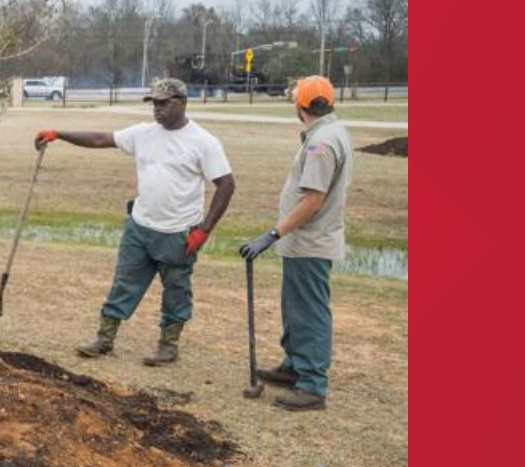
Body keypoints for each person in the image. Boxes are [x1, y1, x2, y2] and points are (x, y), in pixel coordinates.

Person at [35, 77, 235, 366]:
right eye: (154, 103)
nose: (157, 109)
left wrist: (204, 230)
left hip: (178, 233)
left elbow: (226, 185)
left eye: (164, 103)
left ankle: (168, 345)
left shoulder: (203, 142)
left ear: (182, 102)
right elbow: (101, 139)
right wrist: (58, 133)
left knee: (176, 291)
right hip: (140, 228)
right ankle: (104, 339)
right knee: (124, 283)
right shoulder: (143, 134)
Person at [239, 74, 353, 411]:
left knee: (309, 312)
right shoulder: (330, 131)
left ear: (301, 105)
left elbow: (312, 200)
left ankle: (312, 384)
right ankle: (294, 366)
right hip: (305, 242)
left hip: (310, 242)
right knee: (295, 308)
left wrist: (272, 235)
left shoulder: (322, 143)